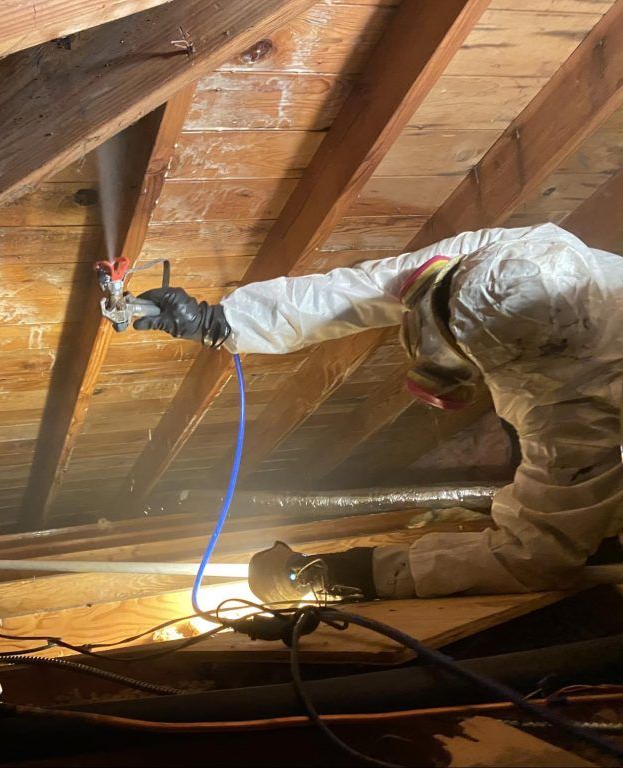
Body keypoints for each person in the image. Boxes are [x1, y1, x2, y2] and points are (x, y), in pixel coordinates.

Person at [133, 223, 623, 599]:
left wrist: (357, 572)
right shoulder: (520, 260)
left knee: (583, 535)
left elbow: (532, 555)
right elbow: (366, 290)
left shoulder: (575, 416)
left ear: (497, 365)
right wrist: (221, 320)